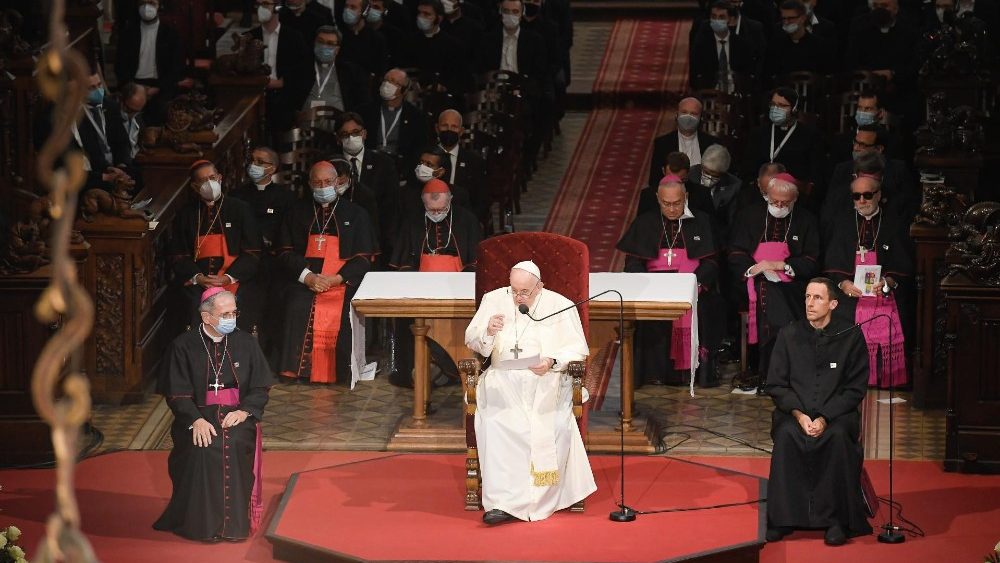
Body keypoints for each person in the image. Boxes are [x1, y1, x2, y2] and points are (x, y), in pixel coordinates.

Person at [465, 260, 596, 524]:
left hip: (546, 381)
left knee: (550, 424)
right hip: (501, 381)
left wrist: (551, 361)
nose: (517, 297)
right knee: (497, 423)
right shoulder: (493, 300)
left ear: (540, 286)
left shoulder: (559, 304)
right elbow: (473, 340)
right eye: (514, 290)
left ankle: (540, 500)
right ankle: (501, 504)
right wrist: (488, 331)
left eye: (524, 292)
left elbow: (577, 350)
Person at [153, 288, 275, 542]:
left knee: (236, 439)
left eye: (234, 312)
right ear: (206, 317)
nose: (232, 318)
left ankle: (234, 526)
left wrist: (245, 411)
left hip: (237, 413)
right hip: (197, 414)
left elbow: (260, 386)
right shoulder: (183, 345)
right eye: (225, 314)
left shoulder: (246, 342)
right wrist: (195, 420)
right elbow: (176, 394)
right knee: (203, 445)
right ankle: (203, 525)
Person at [764, 277, 873, 546]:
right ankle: (782, 518)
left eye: (818, 298)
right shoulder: (789, 335)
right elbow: (776, 384)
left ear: (833, 304)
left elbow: (855, 388)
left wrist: (824, 417)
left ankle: (835, 520)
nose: (810, 303)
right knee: (788, 436)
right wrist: (800, 416)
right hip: (795, 415)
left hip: (837, 416)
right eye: (807, 297)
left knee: (835, 438)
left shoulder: (851, 336)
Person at [273, 161, 378, 383]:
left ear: (338, 182)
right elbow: (284, 252)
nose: (323, 187)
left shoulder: (357, 214)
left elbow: (363, 257)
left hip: (342, 281)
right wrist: (308, 277)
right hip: (304, 280)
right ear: (310, 184)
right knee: (295, 304)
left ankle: (337, 372)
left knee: (342, 311)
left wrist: (336, 279)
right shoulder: (296, 212)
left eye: (328, 182)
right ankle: (297, 371)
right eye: (318, 182)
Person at [616, 176, 724, 387]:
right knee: (645, 314)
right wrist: (648, 285)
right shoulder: (645, 222)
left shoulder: (701, 221)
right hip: (653, 288)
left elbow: (711, 262)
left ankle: (689, 374)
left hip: (691, 287)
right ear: (657, 199)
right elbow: (632, 263)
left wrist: (696, 285)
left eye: (677, 203)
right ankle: (653, 374)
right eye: (666, 203)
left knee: (705, 309)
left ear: (686, 197)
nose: (672, 209)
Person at [728, 173, 819, 381]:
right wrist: (755, 269)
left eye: (784, 203)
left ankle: (768, 371)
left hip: (794, 284)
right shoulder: (748, 215)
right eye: (773, 201)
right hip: (753, 280)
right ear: (766, 196)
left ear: (795, 200)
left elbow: (812, 260)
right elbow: (735, 252)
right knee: (765, 288)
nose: (778, 206)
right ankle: (781, 365)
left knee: (773, 294)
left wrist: (783, 266)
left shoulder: (806, 220)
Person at [822, 175, 911, 388]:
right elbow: (833, 262)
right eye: (856, 196)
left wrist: (889, 281)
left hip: (884, 293)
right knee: (839, 317)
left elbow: (903, 262)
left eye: (867, 195)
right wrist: (843, 283)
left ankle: (882, 378)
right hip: (850, 293)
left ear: (878, 195)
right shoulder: (843, 223)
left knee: (894, 316)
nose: (862, 200)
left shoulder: (893, 223)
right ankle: (847, 379)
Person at [168, 160, 261, 332]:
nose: (209, 184)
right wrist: (198, 277)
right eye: (203, 181)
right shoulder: (186, 214)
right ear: (195, 187)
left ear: (220, 178)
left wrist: (228, 277)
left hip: (235, 279)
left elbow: (252, 252)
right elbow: (179, 255)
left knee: (247, 299)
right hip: (199, 283)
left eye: (212, 177)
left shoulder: (240, 209)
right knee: (189, 303)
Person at [740, 87, 825, 210]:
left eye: (782, 105)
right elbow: (747, 170)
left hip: (793, 196)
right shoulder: (758, 134)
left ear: (794, 109)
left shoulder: (810, 136)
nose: (775, 109)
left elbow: (816, 177)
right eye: (773, 104)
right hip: (761, 194)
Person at [114, 0, 184, 125]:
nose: (147, 7)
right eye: (143, 3)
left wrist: (157, 88)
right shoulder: (128, 34)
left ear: (159, 5)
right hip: (134, 84)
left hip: (160, 86)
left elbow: (176, 68)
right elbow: (120, 66)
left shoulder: (171, 34)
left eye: (151, 2)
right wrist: (133, 86)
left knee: (161, 111)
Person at [248, 0, 312, 133]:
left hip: (285, 98)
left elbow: (304, 72)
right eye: (258, 4)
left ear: (277, 7)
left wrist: (282, 82)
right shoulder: (249, 37)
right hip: (255, 97)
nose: (261, 8)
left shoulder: (294, 37)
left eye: (265, 4)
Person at [359, 68, 429, 166]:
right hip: (369, 162)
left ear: (404, 90)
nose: (387, 84)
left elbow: (418, 148)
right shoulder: (365, 111)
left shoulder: (416, 116)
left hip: (400, 166)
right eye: (385, 80)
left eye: (394, 82)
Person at [647, 97, 719, 188]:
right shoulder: (662, 143)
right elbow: (654, 179)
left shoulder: (713, 144)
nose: (688, 117)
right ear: (677, 115)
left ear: (700, 118)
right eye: (684, 112)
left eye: (693, 114)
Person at [689, 1, 757, 91]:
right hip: (711, 91)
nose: (717, 21)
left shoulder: (741, 44)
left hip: (737, 91)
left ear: (731, 19)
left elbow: (747, 72)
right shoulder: (702, 45)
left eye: (721, 17)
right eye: (713, 17)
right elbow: (696, 73)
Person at [436, 109, 488, 225]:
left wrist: (468, 222)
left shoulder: (474, 161)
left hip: (463, 221)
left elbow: (482, 201)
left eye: (454, 127)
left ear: (461, 131)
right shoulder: (426, 158)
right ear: (437, 128)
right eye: (445, 126)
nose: (449, 130)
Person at [303, 26, 370, 112]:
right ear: (314, 43)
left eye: (330, 43)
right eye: (320, 41)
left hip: (339, 123)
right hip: (304, 122)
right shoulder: (301, 69)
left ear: (337, 50)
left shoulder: (351, 72)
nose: (324, 46)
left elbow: (363, 103)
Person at [764, 0, 836, 78]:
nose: (786, 22)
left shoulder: (819, 45)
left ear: (802, 18)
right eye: (784, 18)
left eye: (791, 18)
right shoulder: (775, 46)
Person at [339, 0, 391, 76]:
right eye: (346, 6)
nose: (347, 10)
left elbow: (380, 70)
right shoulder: (341, 35)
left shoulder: (376, 39)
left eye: (353, 7)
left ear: (364, 12)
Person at [637, 151, 691, 215]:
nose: (674, 184)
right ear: (663, 171)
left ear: (688, 173)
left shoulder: (702, 195)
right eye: (670, 179)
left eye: (680, 181)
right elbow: (642, 222)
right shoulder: (648, 196)